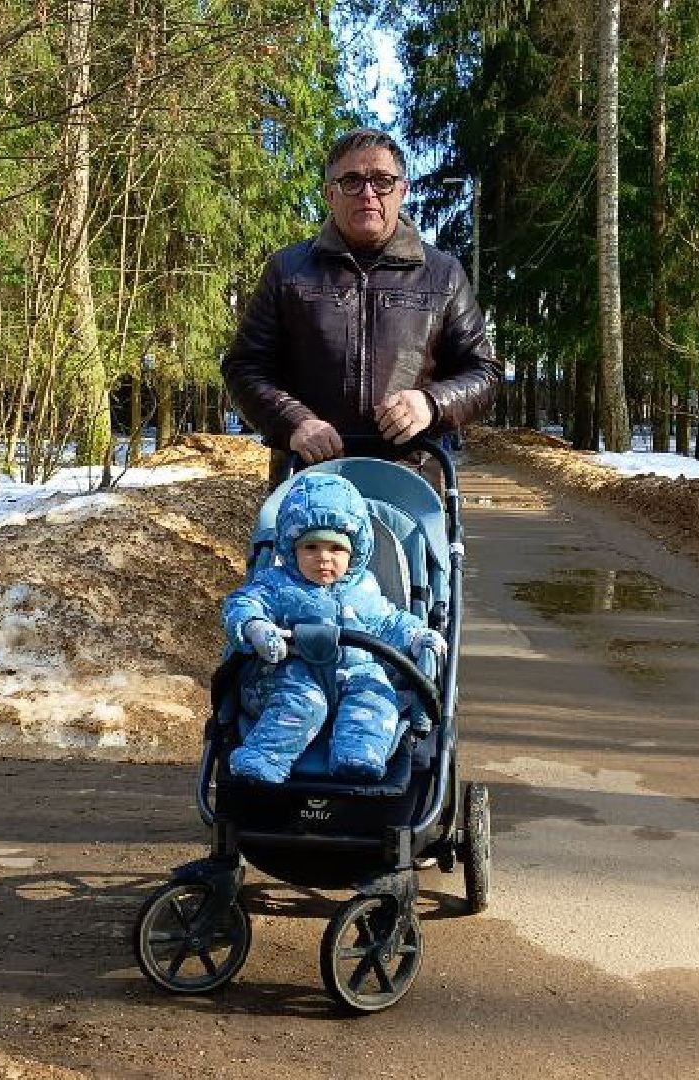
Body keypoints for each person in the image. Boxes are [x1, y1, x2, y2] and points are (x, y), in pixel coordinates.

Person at [222, 128, 501, 480]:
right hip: (310, 484)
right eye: (351, 180)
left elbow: (484, 373)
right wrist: (295, 422)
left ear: (402, 190)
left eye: (382, 180)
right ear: (329, 194)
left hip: (411, 483)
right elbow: (244, 367)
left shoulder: (443, 274)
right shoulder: (287, 270)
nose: (367, 193)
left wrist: (431, 403)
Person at [223, 473, 445, 784]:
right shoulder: (277, 584)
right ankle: (263, 759)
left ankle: (357, 757)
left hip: (358, 670)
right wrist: (256, 627)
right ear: (291, 548)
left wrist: (419, 636)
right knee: (301, 705)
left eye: (336, 549)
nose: (323, 557)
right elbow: (242, 604)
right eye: (311, 547)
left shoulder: (365, 587)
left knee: (376, 700)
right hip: (294, 671)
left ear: (354, 551)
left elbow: (389, 621)